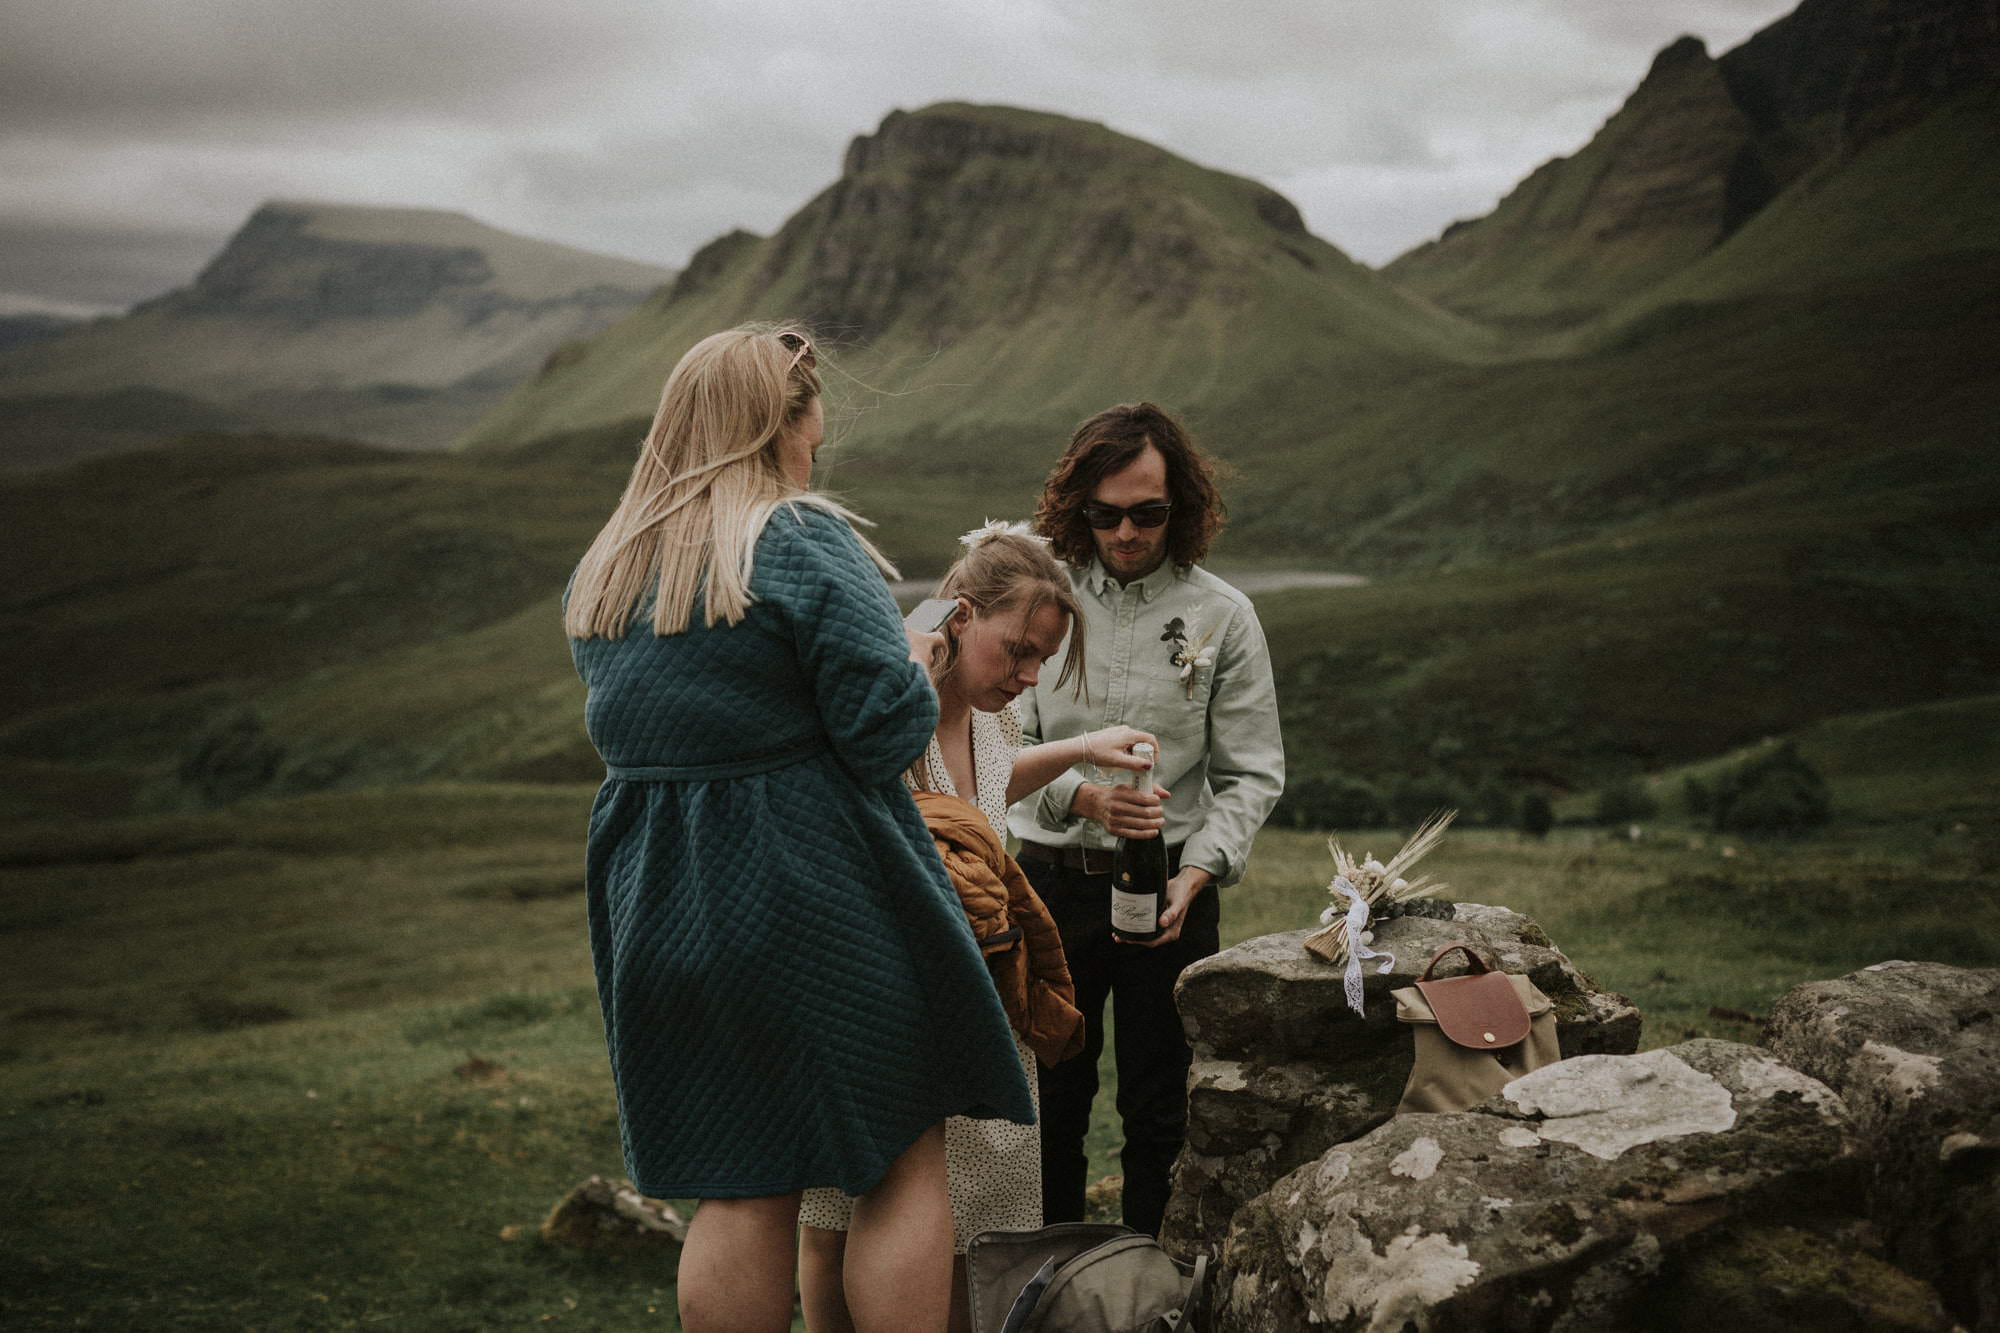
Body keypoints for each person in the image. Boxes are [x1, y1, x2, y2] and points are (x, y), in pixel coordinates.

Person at [563, 325, 1034, 1333]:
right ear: (784, 424)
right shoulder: (797, 537)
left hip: (656, 898)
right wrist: (915, 662)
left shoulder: (611, 565)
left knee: (742, 1180)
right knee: (900, 1155)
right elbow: (881, 735)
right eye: (813, 426)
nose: (816, 449)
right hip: (808, 890)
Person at [797, 522, 1157, 1333]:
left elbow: (985, 792)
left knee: (975, 1224)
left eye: (1042, 660)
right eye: (1017, 650)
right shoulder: (893, 708)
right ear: (959, 616)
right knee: (838, 1211)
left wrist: (1080, 748)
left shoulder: (995, 719)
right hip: (889, 989)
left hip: (985, 989)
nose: (1028, 676)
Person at [1008, 402, 1284, 1238]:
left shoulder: (1224, 614)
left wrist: (1197, 872)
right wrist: (1081, 796)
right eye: (1105, 514)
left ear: (1181, 507)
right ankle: (1048, 1284)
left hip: (1172, 893)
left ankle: (1148, 1287)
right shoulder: (1040, 597)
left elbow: (1252, 771)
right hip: (1047, 886)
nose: (1125, 532)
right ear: (1077, 506)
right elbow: (1001, 737)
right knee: (1048, 1106)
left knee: (1162, 1109)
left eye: (1148, 513)